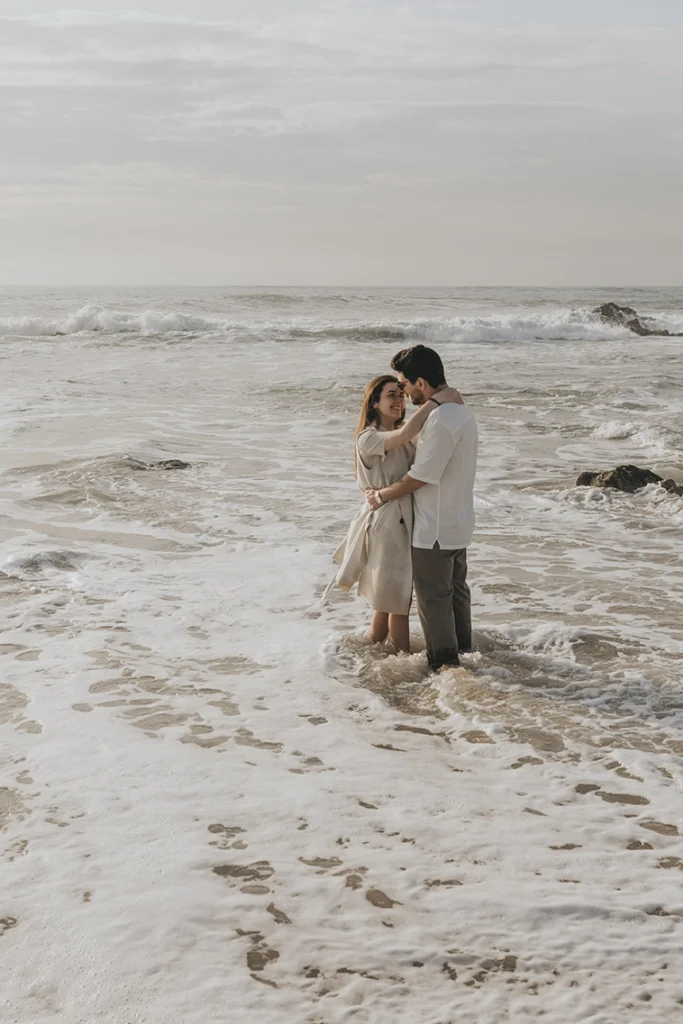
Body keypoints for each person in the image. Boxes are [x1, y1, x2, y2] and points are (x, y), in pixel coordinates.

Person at [324, 374, 461, 652]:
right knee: (398, 600)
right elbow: (404, 433)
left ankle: (364, 653)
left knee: (387, 601)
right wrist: (437, 401)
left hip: (399, 517)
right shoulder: (368, 437)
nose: (399, 400)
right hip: (388, 521)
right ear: (374, 403)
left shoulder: (401, 439)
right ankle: (404, 665)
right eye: (391, 395)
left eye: (401, 395)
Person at [366, 345, 478, 672]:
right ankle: (465, 656)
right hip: (458, 520)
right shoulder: (460, 411)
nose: (403, 392)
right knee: (456, 594)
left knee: (434, 601)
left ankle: (444, 667)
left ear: (420, 382)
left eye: (404, 384)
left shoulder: (442, 419)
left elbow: (420, 477)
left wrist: (382, 495)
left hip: (435, 527)